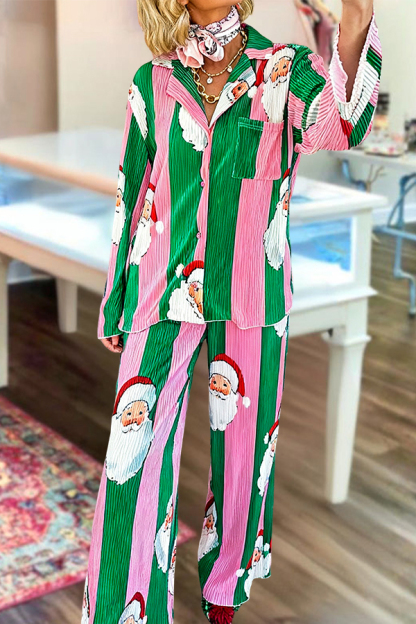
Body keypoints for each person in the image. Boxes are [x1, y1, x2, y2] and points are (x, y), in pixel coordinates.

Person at [82, 1, 382, 622]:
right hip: (159, 288)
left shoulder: (286, 68)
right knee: (131, 461)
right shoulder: (153, 80)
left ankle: (225, 588)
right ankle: (124, 609)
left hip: (252, 292)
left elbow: (341, 127)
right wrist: (116, 297)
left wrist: (356, 16)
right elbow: (133, 186)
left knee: (245, 455)